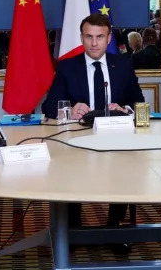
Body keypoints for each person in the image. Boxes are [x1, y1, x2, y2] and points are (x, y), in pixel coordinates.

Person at [42, 14, 145, 234]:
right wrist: (69, 109)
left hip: (115, 140)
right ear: (81, 38)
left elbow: (138, 102)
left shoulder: (123, 64)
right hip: (77, 141)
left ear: (109, 39)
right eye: (89, 37)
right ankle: (73, 231)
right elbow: (48, 106)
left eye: (100, 37)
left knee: (124, 170)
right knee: (69, 173)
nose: (94, 43)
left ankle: (114, 229)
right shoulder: (67, 67)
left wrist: (124, 109)